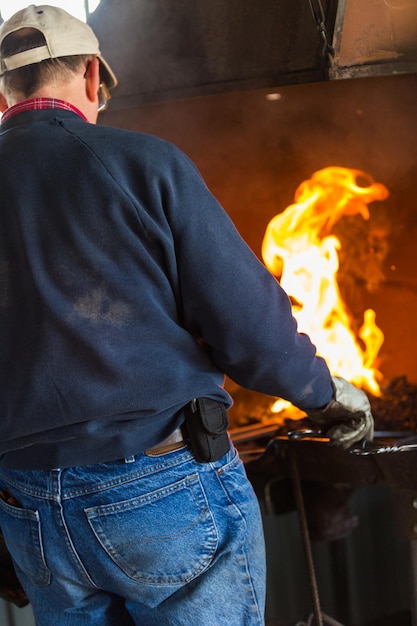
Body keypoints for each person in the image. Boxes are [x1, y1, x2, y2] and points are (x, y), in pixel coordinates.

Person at [0, 5, 374, 625]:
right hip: (159, 488)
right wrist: (322, 394)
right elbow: (247, 325)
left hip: (31, 507)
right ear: (93, 77)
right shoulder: (143, 163)